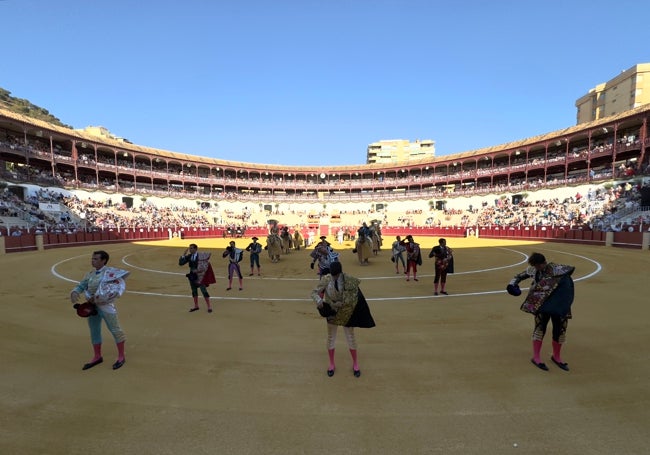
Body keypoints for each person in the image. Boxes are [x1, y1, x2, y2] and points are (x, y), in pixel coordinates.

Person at [508, 252, 575, 372]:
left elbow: (568, 289)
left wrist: (564, 304)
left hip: (559, 306)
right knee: (539, 329)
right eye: (535, 267)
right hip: (542, 304)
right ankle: (536, 357)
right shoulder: (535, 270)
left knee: (560, 331)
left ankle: (556, 356)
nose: (536, 269)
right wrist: (512, 284)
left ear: (544, 263)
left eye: (538, 266)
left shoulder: (559, 270)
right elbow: (519, 276)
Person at [311, 261, 375, 378]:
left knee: (350, 337)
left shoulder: (348, 280)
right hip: (331, 312)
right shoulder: (326, 279)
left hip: (346, 312)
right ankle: (331, 364)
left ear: (340, 273)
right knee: (331, 337)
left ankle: (355, 364)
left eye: (336, 275)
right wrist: (319, 301)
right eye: (332, 275)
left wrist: (344, 304)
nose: (334, 277)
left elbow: (354, 298)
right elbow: (314, 292)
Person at [69, 250, 129, 370]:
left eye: (96, 259)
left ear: (103, 261)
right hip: (91, 307)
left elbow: (115, 289)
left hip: (105, 306)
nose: (92, 260)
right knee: (94, 331)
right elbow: (82, 285)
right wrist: (75, 291)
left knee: (115, 329)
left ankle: (121, 356)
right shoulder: (90, 274)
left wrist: (97, 297)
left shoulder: (111, 273)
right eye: (92, 258)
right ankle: (97, 356)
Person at [178, 243, 216, 312]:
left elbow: (205, 266)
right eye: (189, 248)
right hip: (192, 275)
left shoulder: (201, 256)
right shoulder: (189, 256)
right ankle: (196, 306)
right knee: (194, 290)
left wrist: (198, 270)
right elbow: (181, 263)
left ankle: (209, 307)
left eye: (191, 248)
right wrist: (183, 255)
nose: (190, 250)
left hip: (200, 276)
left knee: (203, 290)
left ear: (196, 249)